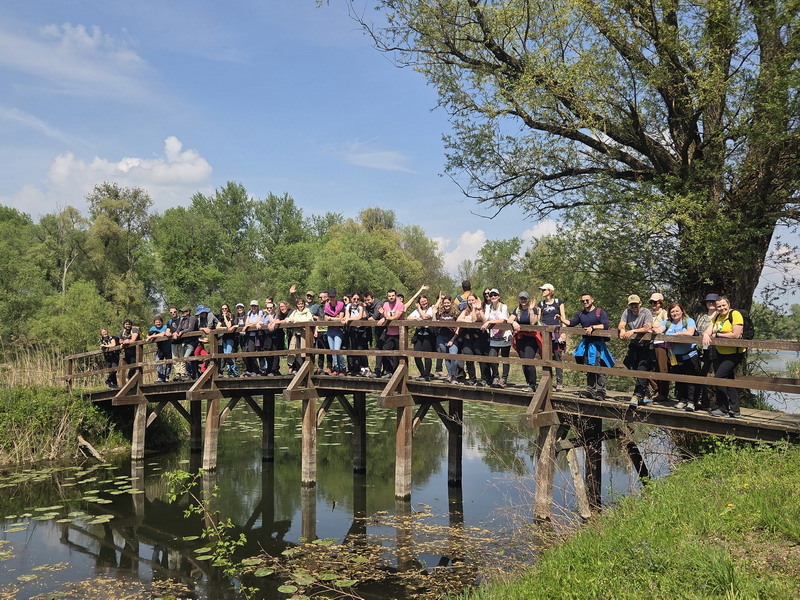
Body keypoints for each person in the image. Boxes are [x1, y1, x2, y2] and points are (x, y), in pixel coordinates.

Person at [559, 293, 614, 399]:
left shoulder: (599, 312)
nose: (585, 302)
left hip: (598, 344)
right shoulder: (581, 314)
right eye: (583, 301)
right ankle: (590, 390)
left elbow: (605, 325)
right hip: (587, 345)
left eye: (587, 300)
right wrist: (561, 319)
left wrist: (592, 327)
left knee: (599, 365)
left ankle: (601, 391)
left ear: (592, 300)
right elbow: (571, 323)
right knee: (589, 365)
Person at [702, 297, 746, 418]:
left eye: (723, 305)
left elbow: (735, 334)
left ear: (728, 304)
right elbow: (707, 330)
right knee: (728, 380)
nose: (721, 308)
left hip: (734, 353)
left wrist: (717, 335)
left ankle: (723, 408)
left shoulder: (735, 314)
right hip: (720, 352)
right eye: (719, 306)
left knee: (719, 377)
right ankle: (735, 410)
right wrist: (706, 334)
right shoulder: (717, 317)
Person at [654, 302, 700, 411]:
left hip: (690, 355)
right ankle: (682, 400)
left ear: (682, 311)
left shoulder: (688, 321)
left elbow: (690, 332)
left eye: (677, 311)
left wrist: (674, 336)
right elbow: (659, 330)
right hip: (676, 356)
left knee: (691, 379)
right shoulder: (667, 323)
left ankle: (691, 402)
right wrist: (652, 329)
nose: (675, 313)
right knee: (679, 380)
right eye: (672, 311)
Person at [618, 294, 653, 406]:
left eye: (636, 304)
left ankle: (637, 395)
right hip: (634, 344)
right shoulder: (626, 312)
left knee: (642, 368)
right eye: (631, 304)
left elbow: (648, 328)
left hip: (645, 345)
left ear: (640, 304)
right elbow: (621, 324)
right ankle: (646, 392)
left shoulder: (646, 312)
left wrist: (633, 331)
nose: (634, 306)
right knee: (628, 362)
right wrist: (622, 330)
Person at [481, 288, 512, 388]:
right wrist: (478, 311)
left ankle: (504, 378)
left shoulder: (503, 306)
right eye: (491, 295)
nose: (493, 297)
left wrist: (489, 322)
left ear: (499, 296)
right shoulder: (488, 307)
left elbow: (503, 320)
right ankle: (496, 376)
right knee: (492, 357)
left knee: (505, 358)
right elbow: (485, 319)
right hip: (494, 337)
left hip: (504, 336)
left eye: (495, 295)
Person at [538, 284, 566, 390]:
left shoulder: (559, 302)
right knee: (545, 356)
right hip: (545, 333)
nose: (543, 291)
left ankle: (559, 382)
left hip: (557, 331)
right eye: (542, 290)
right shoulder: (541, 304)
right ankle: (547, 380)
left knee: (558, 356)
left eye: (544, 290)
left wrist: (564, 333)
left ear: (550, 291)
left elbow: (563, 318)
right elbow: (538, 319)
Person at [510, 291, 540, 392]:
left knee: (528, 360)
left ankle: (533, 384)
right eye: (521, 298)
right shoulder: (517, 310)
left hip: (531, 338)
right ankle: (528, 382)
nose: (523, 300)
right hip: (520, 338)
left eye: (525, 298)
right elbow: (509, 320)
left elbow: (533, 322)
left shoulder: (534, 309)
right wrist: (514, 323)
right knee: (523, 361)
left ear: (528, 299)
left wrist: (531, 310)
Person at [695, 293, 719, 410]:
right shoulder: (701, 317)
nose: (711, 303)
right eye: (708, 301)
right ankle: (703, 401)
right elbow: (696, 332)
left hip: (717, 350)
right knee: (701, 375)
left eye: (713, 301)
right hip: (702, 350)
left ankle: (720, 403)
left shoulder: (720, 316)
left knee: (719, 375)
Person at [457, 293, 486, 385]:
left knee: (480, 358)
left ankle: (483, 378)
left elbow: (474, 319)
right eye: (469, 300)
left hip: (477, 338)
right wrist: (467, 320)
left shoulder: (479, 310)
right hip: (467, 338)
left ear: (476, 300)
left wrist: (474, 309)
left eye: (472, 300)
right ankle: (472, 378)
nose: (471, 302)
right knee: (468, 358)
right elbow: (458, 319)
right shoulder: (465, 310)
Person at [377, 289, 405, 377]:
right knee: (385, 351)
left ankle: (399, 373)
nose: (391, 297)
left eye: (393, 295)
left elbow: (396, 316)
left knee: (399, 354)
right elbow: (384, 315)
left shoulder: (400, 304)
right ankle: (389, 371)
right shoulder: (385, 304)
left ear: (395, 296)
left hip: (399, 333)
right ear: (387, 296)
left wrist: (385, 317)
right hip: (389, 332)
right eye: (389, 296)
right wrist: (382, 314)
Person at [649, 293, 670, 402]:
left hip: (661, 343)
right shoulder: (649, 314)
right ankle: (656, 389)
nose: (653, 304)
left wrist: (653, 327)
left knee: (662, 368)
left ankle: (663, 393)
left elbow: (667, 324)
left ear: (661, 303)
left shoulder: (664, 313)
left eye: (655, 302)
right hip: (650, 343)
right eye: (651, 302)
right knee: (650, 367)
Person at [409, 294, 435, 381]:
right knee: (416, 355)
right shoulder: (416, 311)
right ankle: (422, 373)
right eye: (422, 302)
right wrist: (416, 319)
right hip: (419, 334)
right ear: (419, 303)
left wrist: (419, 310)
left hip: (428, 334)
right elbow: (408, 318)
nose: (424, 303)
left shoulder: (431, 309)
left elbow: (425, 316)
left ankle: (427, 374)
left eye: (425, 301)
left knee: (427, 355)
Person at [434, 294, 460, 383]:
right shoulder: (440, 312)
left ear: (451, 303)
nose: (446, 305)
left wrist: (452, 339)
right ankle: (449, 375)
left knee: (453, 356)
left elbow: (459, 327)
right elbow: (434, 323)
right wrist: (434, 313)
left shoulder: (455, 312)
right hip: (441, 337)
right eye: (444, 303)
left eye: (448, 303)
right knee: (446, 357)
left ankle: (454, 376)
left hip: (453, 337)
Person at [285, 296, 314, 373]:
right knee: (296, 353)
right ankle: (298, 370)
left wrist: (298, 321)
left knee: (305, 353)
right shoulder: (294, 312)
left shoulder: (307, 312)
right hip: (296, 334)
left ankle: (305, 371)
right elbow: (287, 319)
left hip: (305, 335)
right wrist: (291, 320)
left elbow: (309, 320)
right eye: (299, 304)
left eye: (302, 304)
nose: (300, 305)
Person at [344, 293, 368, 376]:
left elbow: (359, 317)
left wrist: (349, 319)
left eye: (357, 299)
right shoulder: (348, 306)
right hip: (353, 330)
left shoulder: (360, 307)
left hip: (361, 330)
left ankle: (365, 368)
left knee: (361, 349)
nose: (356, 301)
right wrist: (345, 319)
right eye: (354, 299)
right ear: (351, 299)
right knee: (353, 348)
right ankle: (356, 368)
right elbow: (347, 315)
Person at [173, 307, 199, 380]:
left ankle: (188, 374)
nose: (182, 313)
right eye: (182, 312)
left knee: (186, 357)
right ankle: (194, 374)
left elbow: (191, 329)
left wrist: (182, 332)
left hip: (192, 341)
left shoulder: (192, 319)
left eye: (184, 312)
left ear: (188, 312)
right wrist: (176, 332)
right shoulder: (182, 320)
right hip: (185, 342)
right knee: (191, 359)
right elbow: (178, 328)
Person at [324, 290, 346, 375]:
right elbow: (325, 317)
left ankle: (343, 367)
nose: (332, 298)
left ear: (336, 297)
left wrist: (330, 318)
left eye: (333, 297)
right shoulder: (327, 306)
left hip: (338, 330)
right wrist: (334, 318)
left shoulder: (341, 305)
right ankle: (337, 368)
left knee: (337, 350)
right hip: (330, 330)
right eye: (330, 297)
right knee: (332, 351)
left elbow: (341, 318)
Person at [364, 292, 384, 377]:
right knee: (379, 348)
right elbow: (366, 316)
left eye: (368, 300)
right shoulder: (368, 306)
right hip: (377, 329)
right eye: (365, 300)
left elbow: (374, 317)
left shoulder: (379, 304)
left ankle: (379, 370)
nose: (367, 302)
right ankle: (379, 370)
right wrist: (364, 308)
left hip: (384, 329)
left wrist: (364, 321)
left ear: (373, 298)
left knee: (381, 348)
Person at [216, 304, 240, 377]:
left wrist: (225, 318)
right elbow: (217, 327)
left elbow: (229, 325)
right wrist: (224, 328)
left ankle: (235, 371)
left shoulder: (231, 316)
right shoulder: (221, 318)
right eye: (223, 309)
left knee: (228, 354)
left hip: (231, 338)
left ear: (228, 309)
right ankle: (230, 370)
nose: (224, 310)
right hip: (224, 338)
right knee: (225, 355)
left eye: (225, 308)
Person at [146, 315, 172, 383]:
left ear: (162, 322)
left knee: (168, 363)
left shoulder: (165, 327)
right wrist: (150, 336)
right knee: (158, 362)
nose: (158, 323)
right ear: (154, 323)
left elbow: (163, 334)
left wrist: (153, 336)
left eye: (159, 322)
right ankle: (161, 377)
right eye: (156, 322)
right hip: (160, 348)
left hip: (167, 347)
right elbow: (147, 335)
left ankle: (166, 376)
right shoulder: (152, 328)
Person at [243, 300, 262, 377]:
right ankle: (253, 369)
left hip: (258, 335)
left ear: (257, 306)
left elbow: (258, 320)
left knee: (257, 352)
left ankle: (259, 370)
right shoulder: (249, 313)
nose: (253, 307)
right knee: (249, 352)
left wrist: (249, 325)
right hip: (250, 335)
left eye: (255, 306)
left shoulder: (260, 312)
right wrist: (249, 324)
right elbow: (246, 323)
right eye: (252, 306)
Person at [165, 306, 182, 381]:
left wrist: (177, 333)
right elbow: (168, 330)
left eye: (174, 312)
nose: (173, 313)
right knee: (175, 359)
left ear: (177, 311)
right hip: (173, 342)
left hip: (182, 341)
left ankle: (183, 374)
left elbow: (184, 328)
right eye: (171, 312)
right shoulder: (169, 322)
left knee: (182, 358)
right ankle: (177, 374)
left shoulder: (181, 319)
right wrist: (168, 333)